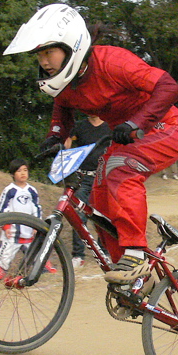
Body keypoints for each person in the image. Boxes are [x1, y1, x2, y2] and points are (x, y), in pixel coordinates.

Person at [4, 3, 178, 285]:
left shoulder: (113, 62)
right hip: (127, 139)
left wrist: (136, 122)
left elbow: (169, 87)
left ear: (70, 46)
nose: (43, 61)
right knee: (99, 197)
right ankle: (132, 278)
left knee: (120, 170)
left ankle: (136, 252)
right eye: (39, 54)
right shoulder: (66, 84)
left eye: (48, 52)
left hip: (165, 129)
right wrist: (55, 135)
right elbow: (62, 109)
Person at [0, 159, 51, 285]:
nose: (23, 173)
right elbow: (3, 209)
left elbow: (37, 208)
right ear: (13, 174)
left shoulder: (32, 191)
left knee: (37, 252)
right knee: (4, 256)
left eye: (25, 170)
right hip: (12, 233)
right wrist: (6, 226)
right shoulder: (9, 190)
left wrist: (37, 225)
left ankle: (44, 270)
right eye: (19, 171)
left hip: (29, 232)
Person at [64, 114, 112, 267]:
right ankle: (78, 255)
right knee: (78, 216)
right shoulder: (79, 126)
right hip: (82, 178)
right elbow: (67, 145)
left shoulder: (110, 126)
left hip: (103, 178)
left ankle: (104, 252)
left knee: (103, 217)